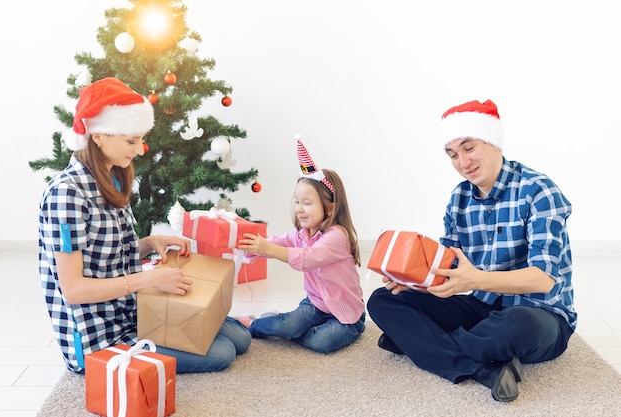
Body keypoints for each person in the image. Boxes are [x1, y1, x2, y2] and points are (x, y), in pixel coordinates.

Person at [367, 99, 576, 402]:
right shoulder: (458, 199)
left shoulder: (539, 191)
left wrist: (475, 280)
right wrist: (415, 281)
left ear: (493, 142)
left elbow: (543, 279)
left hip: (540, 314)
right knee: (383, 300)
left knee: (513, 326)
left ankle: (420, 343)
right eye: (452, 155)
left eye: (469, 148)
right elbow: (448, 273)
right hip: (480, 307)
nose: (462, 163)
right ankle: (484, 370)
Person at [38, 77, 250, 374]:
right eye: (131, 141)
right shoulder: (67, 194)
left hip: (129, 310)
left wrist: (149, 244)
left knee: (240, 337)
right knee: (223, 352)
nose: (140, 150)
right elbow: (73, 289)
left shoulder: (111, 177)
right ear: (98, 136)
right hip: (99, 337)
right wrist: (149, 280)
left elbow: (103, 259)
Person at [236, 136, 366, 353]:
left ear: (330, 208)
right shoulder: (302, 234)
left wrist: (268, 249)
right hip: (315, 304)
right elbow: (278, 242)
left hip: (346, 314)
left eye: (307, 203)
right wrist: (255, 248)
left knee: (321, 342)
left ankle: (286, 329)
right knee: (288, 325)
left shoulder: (337, 236)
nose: (299, 209)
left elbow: (307, 259)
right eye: (297, 202)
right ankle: (256, 324)